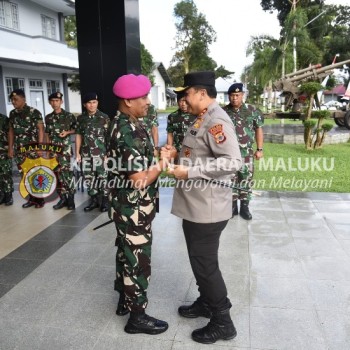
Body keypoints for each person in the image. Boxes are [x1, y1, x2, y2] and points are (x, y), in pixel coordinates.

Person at [170, 71, 242, 344]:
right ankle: (206, 302)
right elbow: (196, 152)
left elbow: (231, 162)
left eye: (187, 93)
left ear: (201, 93)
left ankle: (223, 320)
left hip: (207, 208)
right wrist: (176, 157)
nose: (184, 99)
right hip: (196, 204)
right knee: (199, 261)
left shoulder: (217, 120)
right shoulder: (202, 117)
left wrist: (189, 173)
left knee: (206, 265)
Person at [107, 74, 174, 335]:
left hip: (127, 205)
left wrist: (157, 155)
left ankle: (124, 300)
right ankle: (137, 316)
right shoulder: (126, 131)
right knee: (137, 259)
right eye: (143, 97)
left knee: (125, 252)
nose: (148, 101)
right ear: (127, 100)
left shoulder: (130, 122)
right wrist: (163, 163)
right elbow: (140, 179)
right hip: (133, 207)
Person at [223, 83, 264, 220]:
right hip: (228, 154)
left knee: (245, 179)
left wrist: (259, 149)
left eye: (237, 95)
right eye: (232, 96)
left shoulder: (252, 111)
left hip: (246, 154)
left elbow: (258, 129)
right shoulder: (223, 112)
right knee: (230, 179)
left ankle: (245, 208)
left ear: (242, 95)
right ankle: (233, 207)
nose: (234, 98)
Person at [8, 89, 45, 208]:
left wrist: (40, 147)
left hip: (32, 149)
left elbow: (41, 129)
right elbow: (11, 132)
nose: (13, 102)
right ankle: (31, 198)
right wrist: (10, 148)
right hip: (19, 150)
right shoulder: (12, 114)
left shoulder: (34, 112)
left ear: (23, 99)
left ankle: (40, 199)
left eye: (16, 99)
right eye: (12, 100)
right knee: (24, 174)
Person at [75, 93, 110, 212]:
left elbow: (108, 137)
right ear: (85, 104)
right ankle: (94, 201)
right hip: (85, 154)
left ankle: (105, 201)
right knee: (89, 178)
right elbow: (79, 135)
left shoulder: (104, 117)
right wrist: (77, 153)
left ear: (97, 103)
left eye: (94, 102)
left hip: (100, 154)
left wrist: (107, 153)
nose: (92, 105)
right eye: (89, 103)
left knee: (102, 177)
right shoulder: (81, 118)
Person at [45, 92, 76, 210]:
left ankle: (71, 199)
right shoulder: (48, 117)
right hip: (53, 152)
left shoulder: (69, 116)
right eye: (52, 101)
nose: (54, 103)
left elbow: (76, 129)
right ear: (50, 102)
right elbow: (47, 134)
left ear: (61, 102)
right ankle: (63, 199)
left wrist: (67, 132)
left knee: (68, 175)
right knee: (57, 175)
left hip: (65, 151)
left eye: (57, 100)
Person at [0, 112, 14, 206]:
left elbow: (10, 133)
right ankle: (2, 195)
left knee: (5, 173)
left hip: (3, 150)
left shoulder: (3, 118)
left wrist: (10, 148)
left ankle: (8, 195)